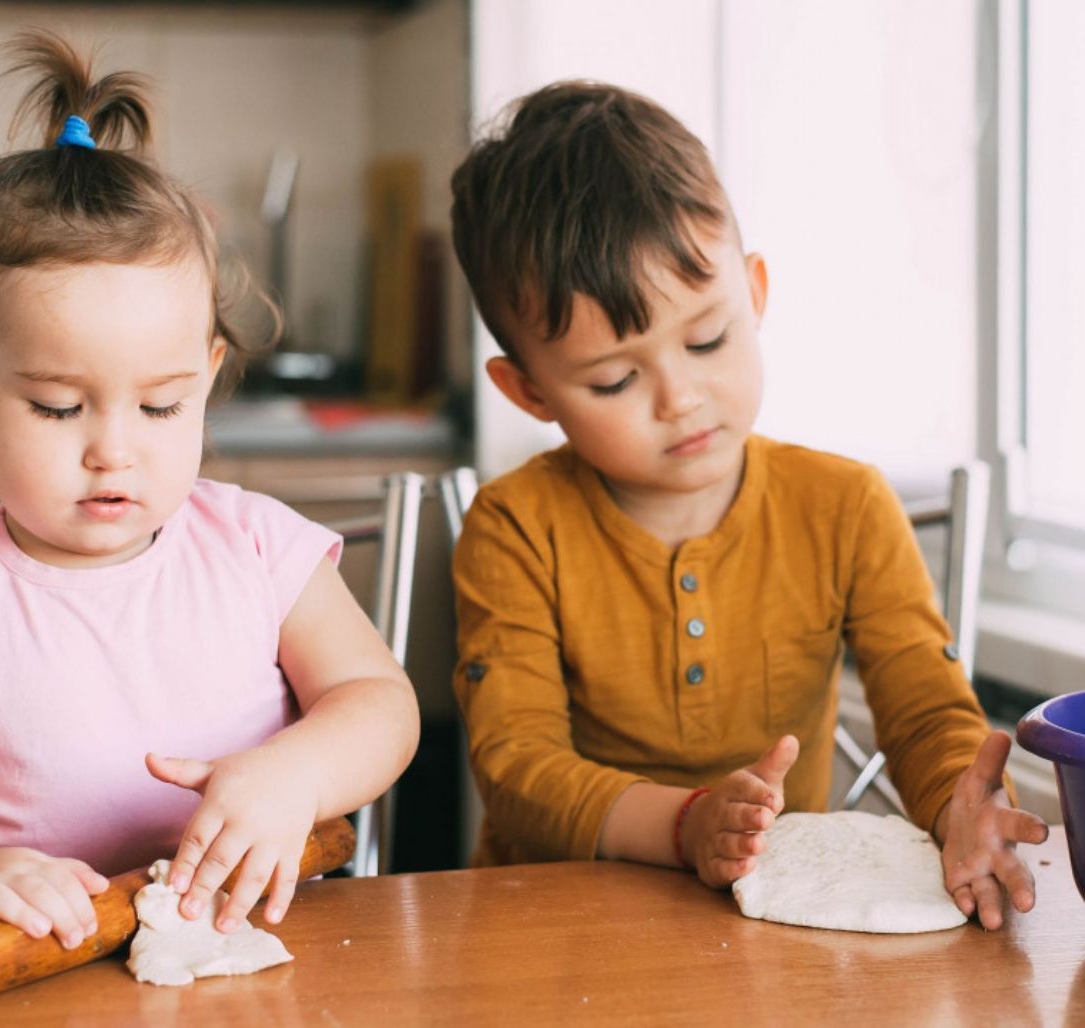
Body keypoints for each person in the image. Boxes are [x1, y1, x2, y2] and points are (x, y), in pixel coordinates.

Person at [448, 80, 1047, 930]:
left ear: (755, 292)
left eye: (707, 340)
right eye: (616, 379)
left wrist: (964, 811)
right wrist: (687, 824)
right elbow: (518, 768)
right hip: (554, 924)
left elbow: (922, 709)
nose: (680, 398)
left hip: (772, 925)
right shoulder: (515, 527)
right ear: (529, 392)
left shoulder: (844, 505)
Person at [0, 30, 419, 951]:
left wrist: (295, 773)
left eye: (162, 406)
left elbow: (381, 705)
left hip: (256, 952)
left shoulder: (259, 549)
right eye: (59, 408)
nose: (114, 452)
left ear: (207, 377)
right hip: (34, 977)